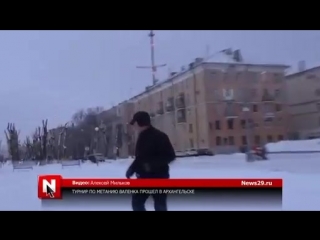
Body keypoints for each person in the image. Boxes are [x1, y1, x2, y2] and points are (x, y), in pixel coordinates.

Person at [126, 111, 176, 211]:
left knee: (160, 206)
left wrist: (151, 165)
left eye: (134, 123)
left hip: (159, 178)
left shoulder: (159, 136)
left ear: (140, 122)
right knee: (137, 203)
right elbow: (140, 158)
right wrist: (131, 169)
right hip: (144, 178)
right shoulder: (142, 136)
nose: (134, 126)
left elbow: (170, 156)